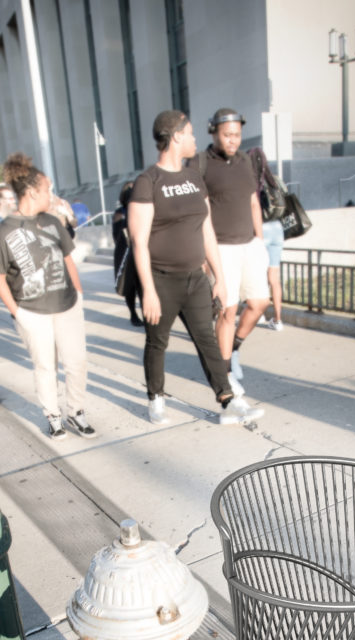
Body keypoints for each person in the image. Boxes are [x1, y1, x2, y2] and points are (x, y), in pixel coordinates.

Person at [128, 110, 263, 426]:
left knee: (207, 340)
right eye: (189, 133)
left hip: (195, 278)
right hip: (161, 280)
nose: (193, 139)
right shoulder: (148, 182)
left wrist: (218, 276)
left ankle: (227, 399)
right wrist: (148, 291)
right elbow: (138, 241)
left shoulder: (192, 178)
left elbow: (207, 230)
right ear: (175, 136)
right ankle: (156, 397)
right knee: (157, 341)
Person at [0, 152, 96, 441]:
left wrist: (80, 294)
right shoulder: (4, 232)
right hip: (32, 311)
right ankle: (53, 416)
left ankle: (76, 412)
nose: (52, 194)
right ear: (33, 191)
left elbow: (69, 258)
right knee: (45, 366)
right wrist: (17, 312)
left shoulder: (52, 221)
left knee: (76, 362)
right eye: (48, 189)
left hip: (67, 305)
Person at [188, 108, 270, 388]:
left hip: (250, 245)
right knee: (227, 311)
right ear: (214, 133)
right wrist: (205, 257)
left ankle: (234, 349)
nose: (233, 140)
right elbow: (198, 213)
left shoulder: (245, 160)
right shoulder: (200, 163)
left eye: (237, 134)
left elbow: (252, 202)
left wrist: (260, 240)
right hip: (221, 249)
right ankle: (224, 376)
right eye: (227, 135)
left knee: (260, 303)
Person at [248, 147, 285, 331]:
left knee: (258, 275)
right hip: (278, 228)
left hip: (260, 228)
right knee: (274, 278)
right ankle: (278, 320)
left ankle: (259, 314)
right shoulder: (274, 179)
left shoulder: (251, 183)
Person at [112, 181, 142, 326]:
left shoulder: (142, 209)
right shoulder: (120, 213)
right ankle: (133, 314)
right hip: (125, 252)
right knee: (129, 286)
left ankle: (145, 314)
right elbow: (116, 235)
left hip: (140, 250)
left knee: (142, 285)